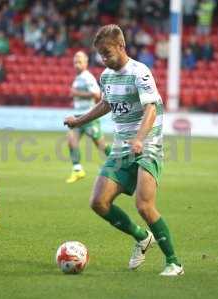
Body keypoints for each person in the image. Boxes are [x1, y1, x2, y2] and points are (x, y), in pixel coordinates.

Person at [64, 25, 184, 276]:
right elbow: (106, 104)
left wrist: (140, 139)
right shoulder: (106, 76)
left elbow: (151, 108)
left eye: (107, 52)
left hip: (148, 146)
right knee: (98, 202)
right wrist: (79, 120)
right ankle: (142, 237)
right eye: (100, 54)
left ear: (121, 46)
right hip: (121, 149)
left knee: (144, 205)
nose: (103, 58)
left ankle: (174, 263)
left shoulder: (140, 72)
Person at [66, 51, 111, 183]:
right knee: (71, 140)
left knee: (101, 145)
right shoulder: (78, 78)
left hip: (89, 116)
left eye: (80, 62)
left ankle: (119, 162)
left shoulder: (87, 77)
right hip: (78, 117)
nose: (77, 64)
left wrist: (77, 93)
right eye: (75, 62)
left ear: (86, 63)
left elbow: (97, 95)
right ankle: (77, 170)